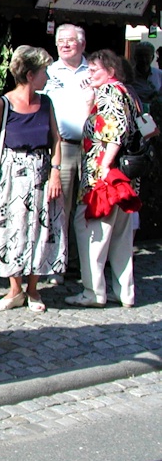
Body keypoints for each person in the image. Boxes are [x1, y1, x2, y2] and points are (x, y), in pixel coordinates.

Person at [0, 46, 66, 313]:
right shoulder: (3, 103)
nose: (47, 77)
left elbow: (56, 139)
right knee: (12, 227)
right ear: (30, 75)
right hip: (13, 171)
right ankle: (15, 289)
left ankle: (34, 289)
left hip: (42, 170)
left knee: (41, 229)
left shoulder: (46, 102)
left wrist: (55, 171)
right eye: (44, 72)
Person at [66, 49, 140, 308]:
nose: (90, 73)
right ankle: (125, 293)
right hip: (125, 178)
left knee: (90, 232)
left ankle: (92, 292)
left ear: (110, 71)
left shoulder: (108, 92)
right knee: (121, 238)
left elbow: (114, 133)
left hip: (102, 177)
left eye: (95, 69)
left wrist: (105, 166)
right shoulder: (127, 92)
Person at [41, 24, 91, 283]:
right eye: (60, 41)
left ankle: (84, 265)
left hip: (93, 150)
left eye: (70, 40)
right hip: (65, 148)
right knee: (61, 207)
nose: (64, 45)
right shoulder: (49, 72)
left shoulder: (94, 71)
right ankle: (58, 264)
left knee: (89, 208)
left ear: (82, 44)